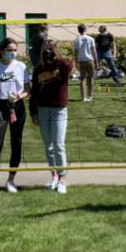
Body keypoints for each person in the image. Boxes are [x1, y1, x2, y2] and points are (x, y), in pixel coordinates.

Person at [0, 37, 31, 199]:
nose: (12, 53)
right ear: (2, 50)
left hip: (17, 107)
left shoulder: (21, 66)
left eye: (14, 50)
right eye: (9, 50)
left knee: (16, 143)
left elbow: (27, 90)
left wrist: (20, 96)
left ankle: (11, 180)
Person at [30, 39, 72, 194]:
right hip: (42, 109)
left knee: (58, 144)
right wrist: (33, 111)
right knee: (48, 144)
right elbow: (34, 91)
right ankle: (53, 175)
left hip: (59, 109)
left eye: (50, 50)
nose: (47, 52)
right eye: (45, 50)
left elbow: (69, 66)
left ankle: (62, 178)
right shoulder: (38, 69)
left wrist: (55, 59)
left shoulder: (62, 66)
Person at [73, 23, 98, 101]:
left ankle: (83, 97)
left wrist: (76, 62)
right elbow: (94, 52)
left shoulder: (77, 39)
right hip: (90, 60)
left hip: (81, 60)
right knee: (90, 78)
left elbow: (75, 53)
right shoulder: (90, 39)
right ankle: (89, 96)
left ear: (79, 31)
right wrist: (96, 62)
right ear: (85, 30)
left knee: (83, 79)